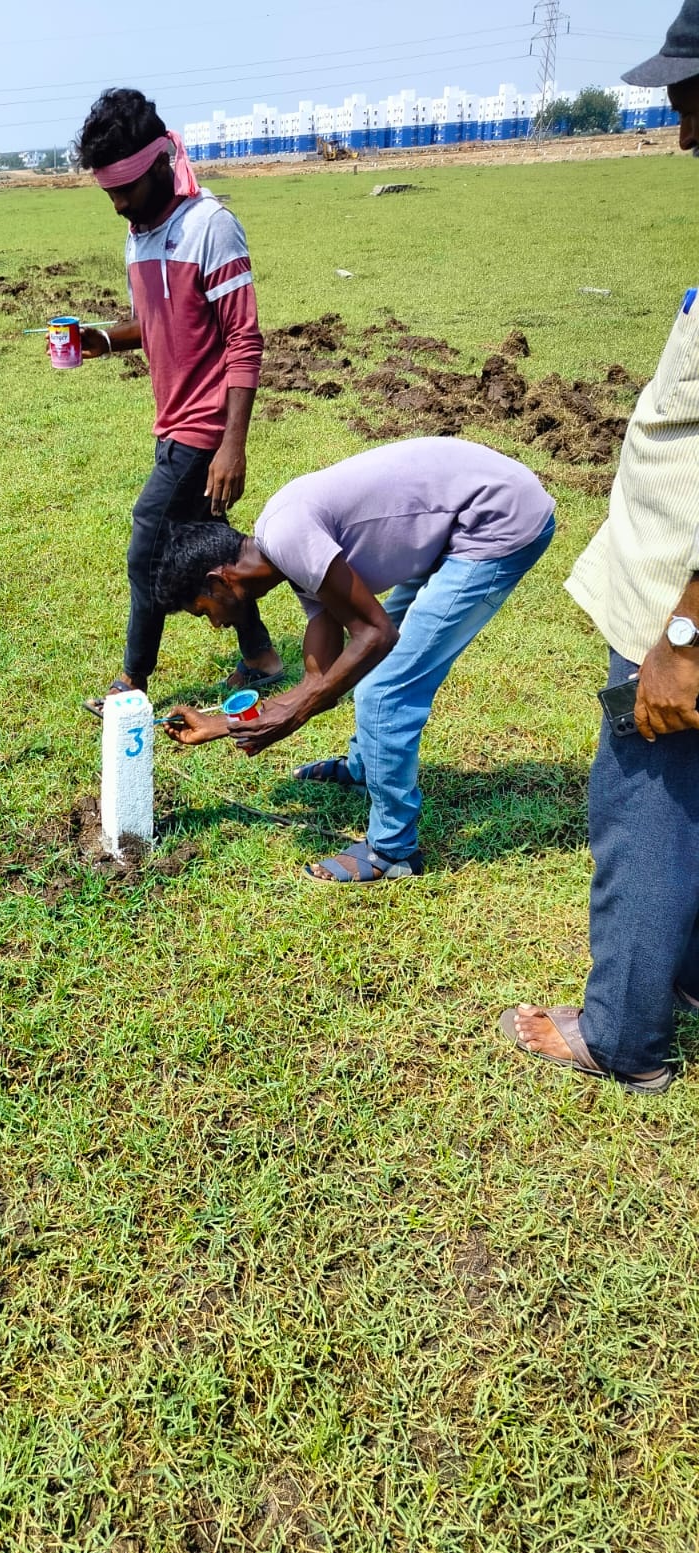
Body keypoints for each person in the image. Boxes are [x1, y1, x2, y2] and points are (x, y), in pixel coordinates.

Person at [501, 4, 699, 1095]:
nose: (682, 132)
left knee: (641, 794)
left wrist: (684, 632)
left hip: (683, 595)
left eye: (688, 96)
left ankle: (621, 1035)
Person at [154, 437, 556, 884]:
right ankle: (369, 765)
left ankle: (392, 850)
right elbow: (319, 676)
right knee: (370, 673)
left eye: (203, 611)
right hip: (463, 516)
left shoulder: (289, 538)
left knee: (385, 689)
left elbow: (376, 635)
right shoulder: (285, 552)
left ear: (218, 582)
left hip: (497, 519)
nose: (214, 625)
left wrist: (296, 713)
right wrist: (224, 725)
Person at [73, 87, 284, 716]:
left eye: (126, 189)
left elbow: (244, 339)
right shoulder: (139, 235)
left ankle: (132, 683)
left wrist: (232, 444)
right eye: (108, 192)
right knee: (213, 544)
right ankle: (263, 656)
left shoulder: (210, 226)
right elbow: (152, 322)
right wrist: (103, 339)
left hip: (204, 428)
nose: (118, 205)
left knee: (149, 546)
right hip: (169, 422)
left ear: (163, 161)